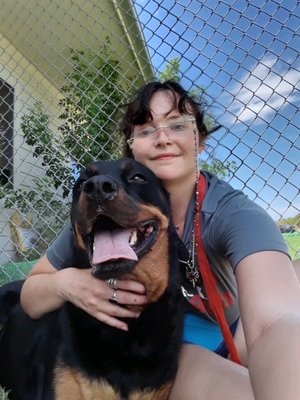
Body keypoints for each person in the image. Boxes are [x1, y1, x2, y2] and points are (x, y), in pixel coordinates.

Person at [20, 80, 300, 399]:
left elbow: (274, 323)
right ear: (133, 146)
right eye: (146, 129)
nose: (163, 137)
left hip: (238, 329)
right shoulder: (106, 208)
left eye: (178, 124)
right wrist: (67, 283)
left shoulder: (232, 212)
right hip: (175, 344)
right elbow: (31, 294)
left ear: (200, 140)